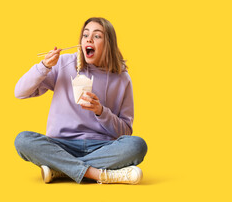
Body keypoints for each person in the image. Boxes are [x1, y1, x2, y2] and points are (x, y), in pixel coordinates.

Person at [14, 17, 147, 184]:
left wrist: (101, 111)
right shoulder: (63, 64)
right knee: (23, 140)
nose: (89, 39)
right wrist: (44, 66)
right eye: (85, 35)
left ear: (109, 43)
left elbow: (126, 131)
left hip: (102, 147)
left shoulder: (122, 78)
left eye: (97, 36)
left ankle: (62, 170)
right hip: (61, 145)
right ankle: (98, 174)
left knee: (137, 146)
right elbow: (19, 92)